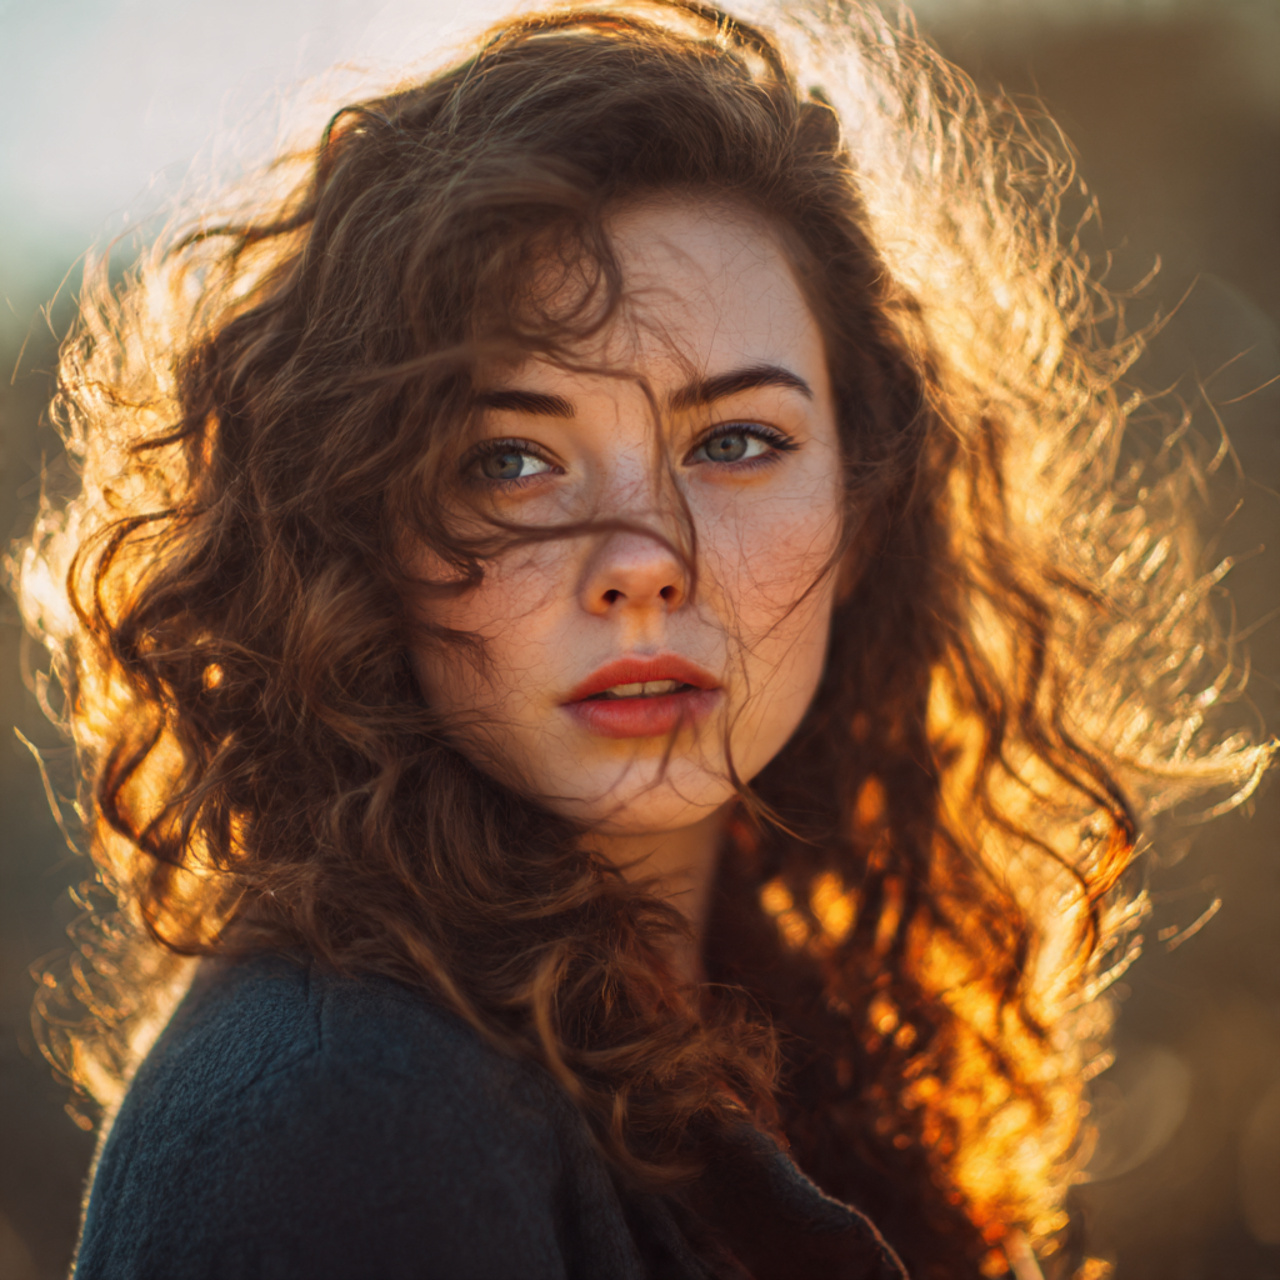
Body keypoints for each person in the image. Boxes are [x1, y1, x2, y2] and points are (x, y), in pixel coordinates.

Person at [15, 2, 1272, 1277]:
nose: (638, 564)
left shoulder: (806, 1040)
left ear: (865, 508)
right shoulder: (331, 1117)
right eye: (510, 460)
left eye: (733, 442)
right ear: (356, 533)